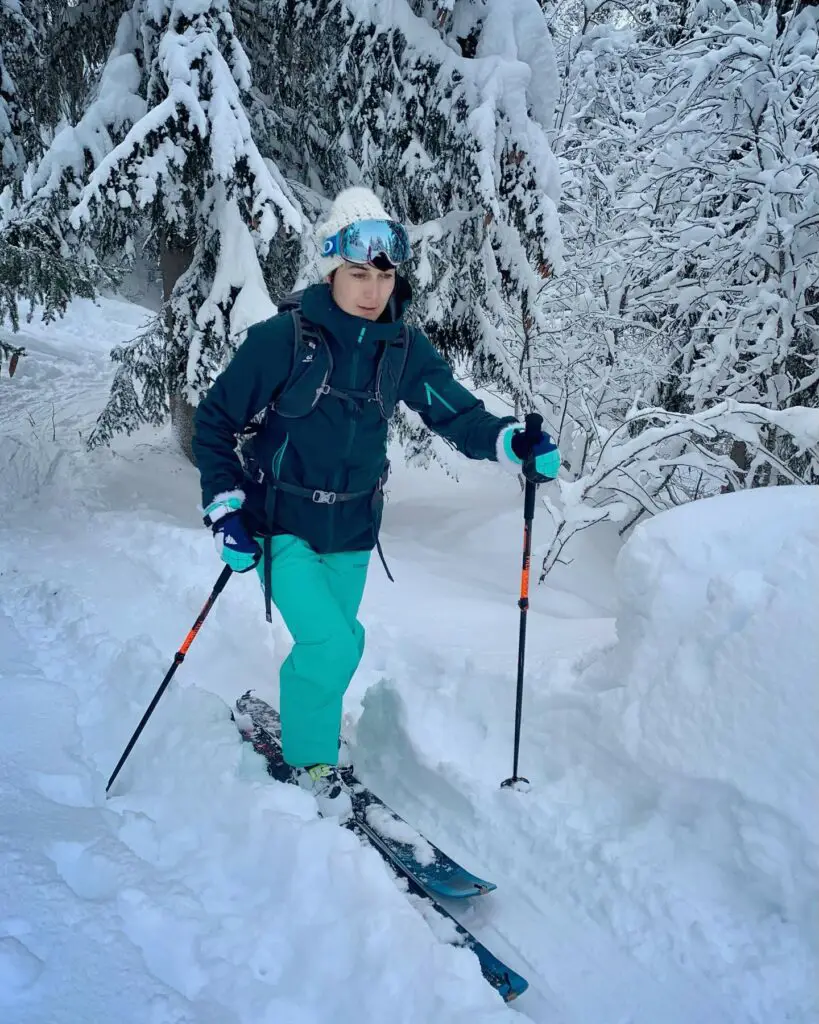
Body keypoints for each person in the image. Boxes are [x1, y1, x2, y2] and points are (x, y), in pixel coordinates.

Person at [192, 187, 560, 817]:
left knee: (340, 642)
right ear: (331, 270)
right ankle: (310, 762)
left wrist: (508, 442)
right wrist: (226, 508)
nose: (371, 290)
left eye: (383, 276)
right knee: (331, 644)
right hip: (284, 524)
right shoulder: (283, 340)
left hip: (356, 527)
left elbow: (456, 413)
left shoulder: (404, 349)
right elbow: (215, 420)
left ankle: (306, 723)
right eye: (357, 273)